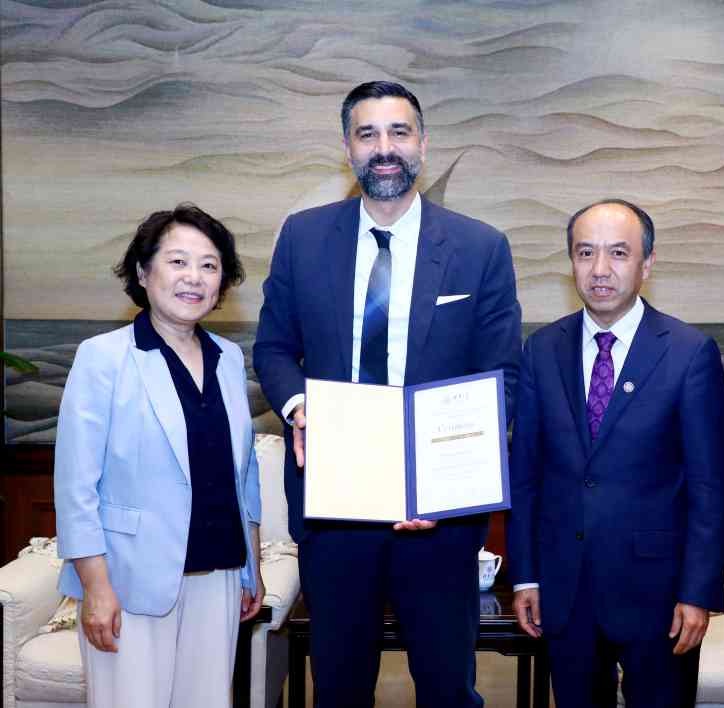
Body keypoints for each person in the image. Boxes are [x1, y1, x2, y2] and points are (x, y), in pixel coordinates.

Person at [253, 80, 521, 707]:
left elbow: (501, 376)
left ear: (422, 144)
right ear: (347, 147)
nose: (384, 148)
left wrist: (449, 483)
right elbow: (273, 349)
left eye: (399, 132)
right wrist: (298, 406)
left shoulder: (480, 248)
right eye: (367, 134)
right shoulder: (302, 237)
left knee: (448, 689)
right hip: (335, 507)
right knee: (339, 689)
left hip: (439, 519)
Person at [507, 199, 724, 708]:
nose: (600, 269)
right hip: (566, 590)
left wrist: (698, 592)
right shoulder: (542, 349)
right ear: (571, 262)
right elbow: (526, 476)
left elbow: (709, 486)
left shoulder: (689, 352)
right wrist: (526, 576)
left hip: (659, 593)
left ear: (646, 264)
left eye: (618, 253)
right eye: (586, 253)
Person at [54, 204, 264, 708]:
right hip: (129, 580)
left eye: (209, 265)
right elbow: (75, 486)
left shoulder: (228, 358)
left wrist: (251, 568)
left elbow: (244, 474)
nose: (194, 277)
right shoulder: (103, 358)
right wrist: (96, 587)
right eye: (178, 261)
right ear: (144, 273)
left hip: (218, 577)